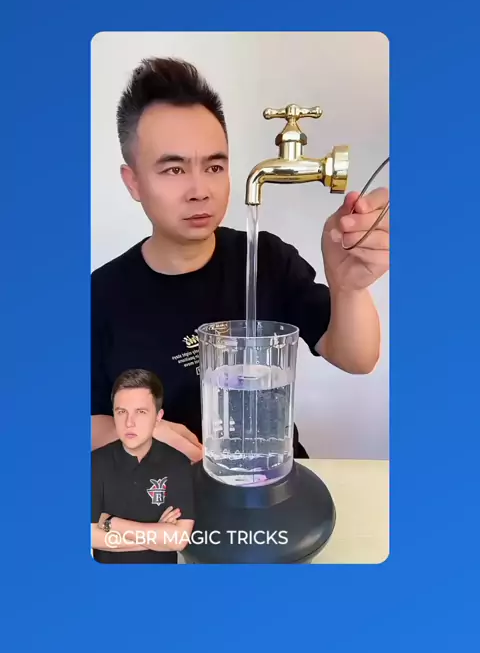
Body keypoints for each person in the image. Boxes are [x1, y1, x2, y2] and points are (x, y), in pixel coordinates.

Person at [91, 57, 389, 460]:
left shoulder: (266, 259)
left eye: (215, 166)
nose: (200, 190)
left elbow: (357, 359)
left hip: (272, 475)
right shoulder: (100, 296)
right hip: (164, 486)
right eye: (174, 170)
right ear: (134, 182)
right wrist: (138, 430)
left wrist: (348, 287)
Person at [91, 368, 195, 563]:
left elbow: (179, 539)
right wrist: (156, 538)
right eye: (121, 412)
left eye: (141, 412)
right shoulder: (94, 463)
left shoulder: (177, 463)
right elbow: (89, 536)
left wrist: (113, 523)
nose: (129, 423)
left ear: (158, 416)